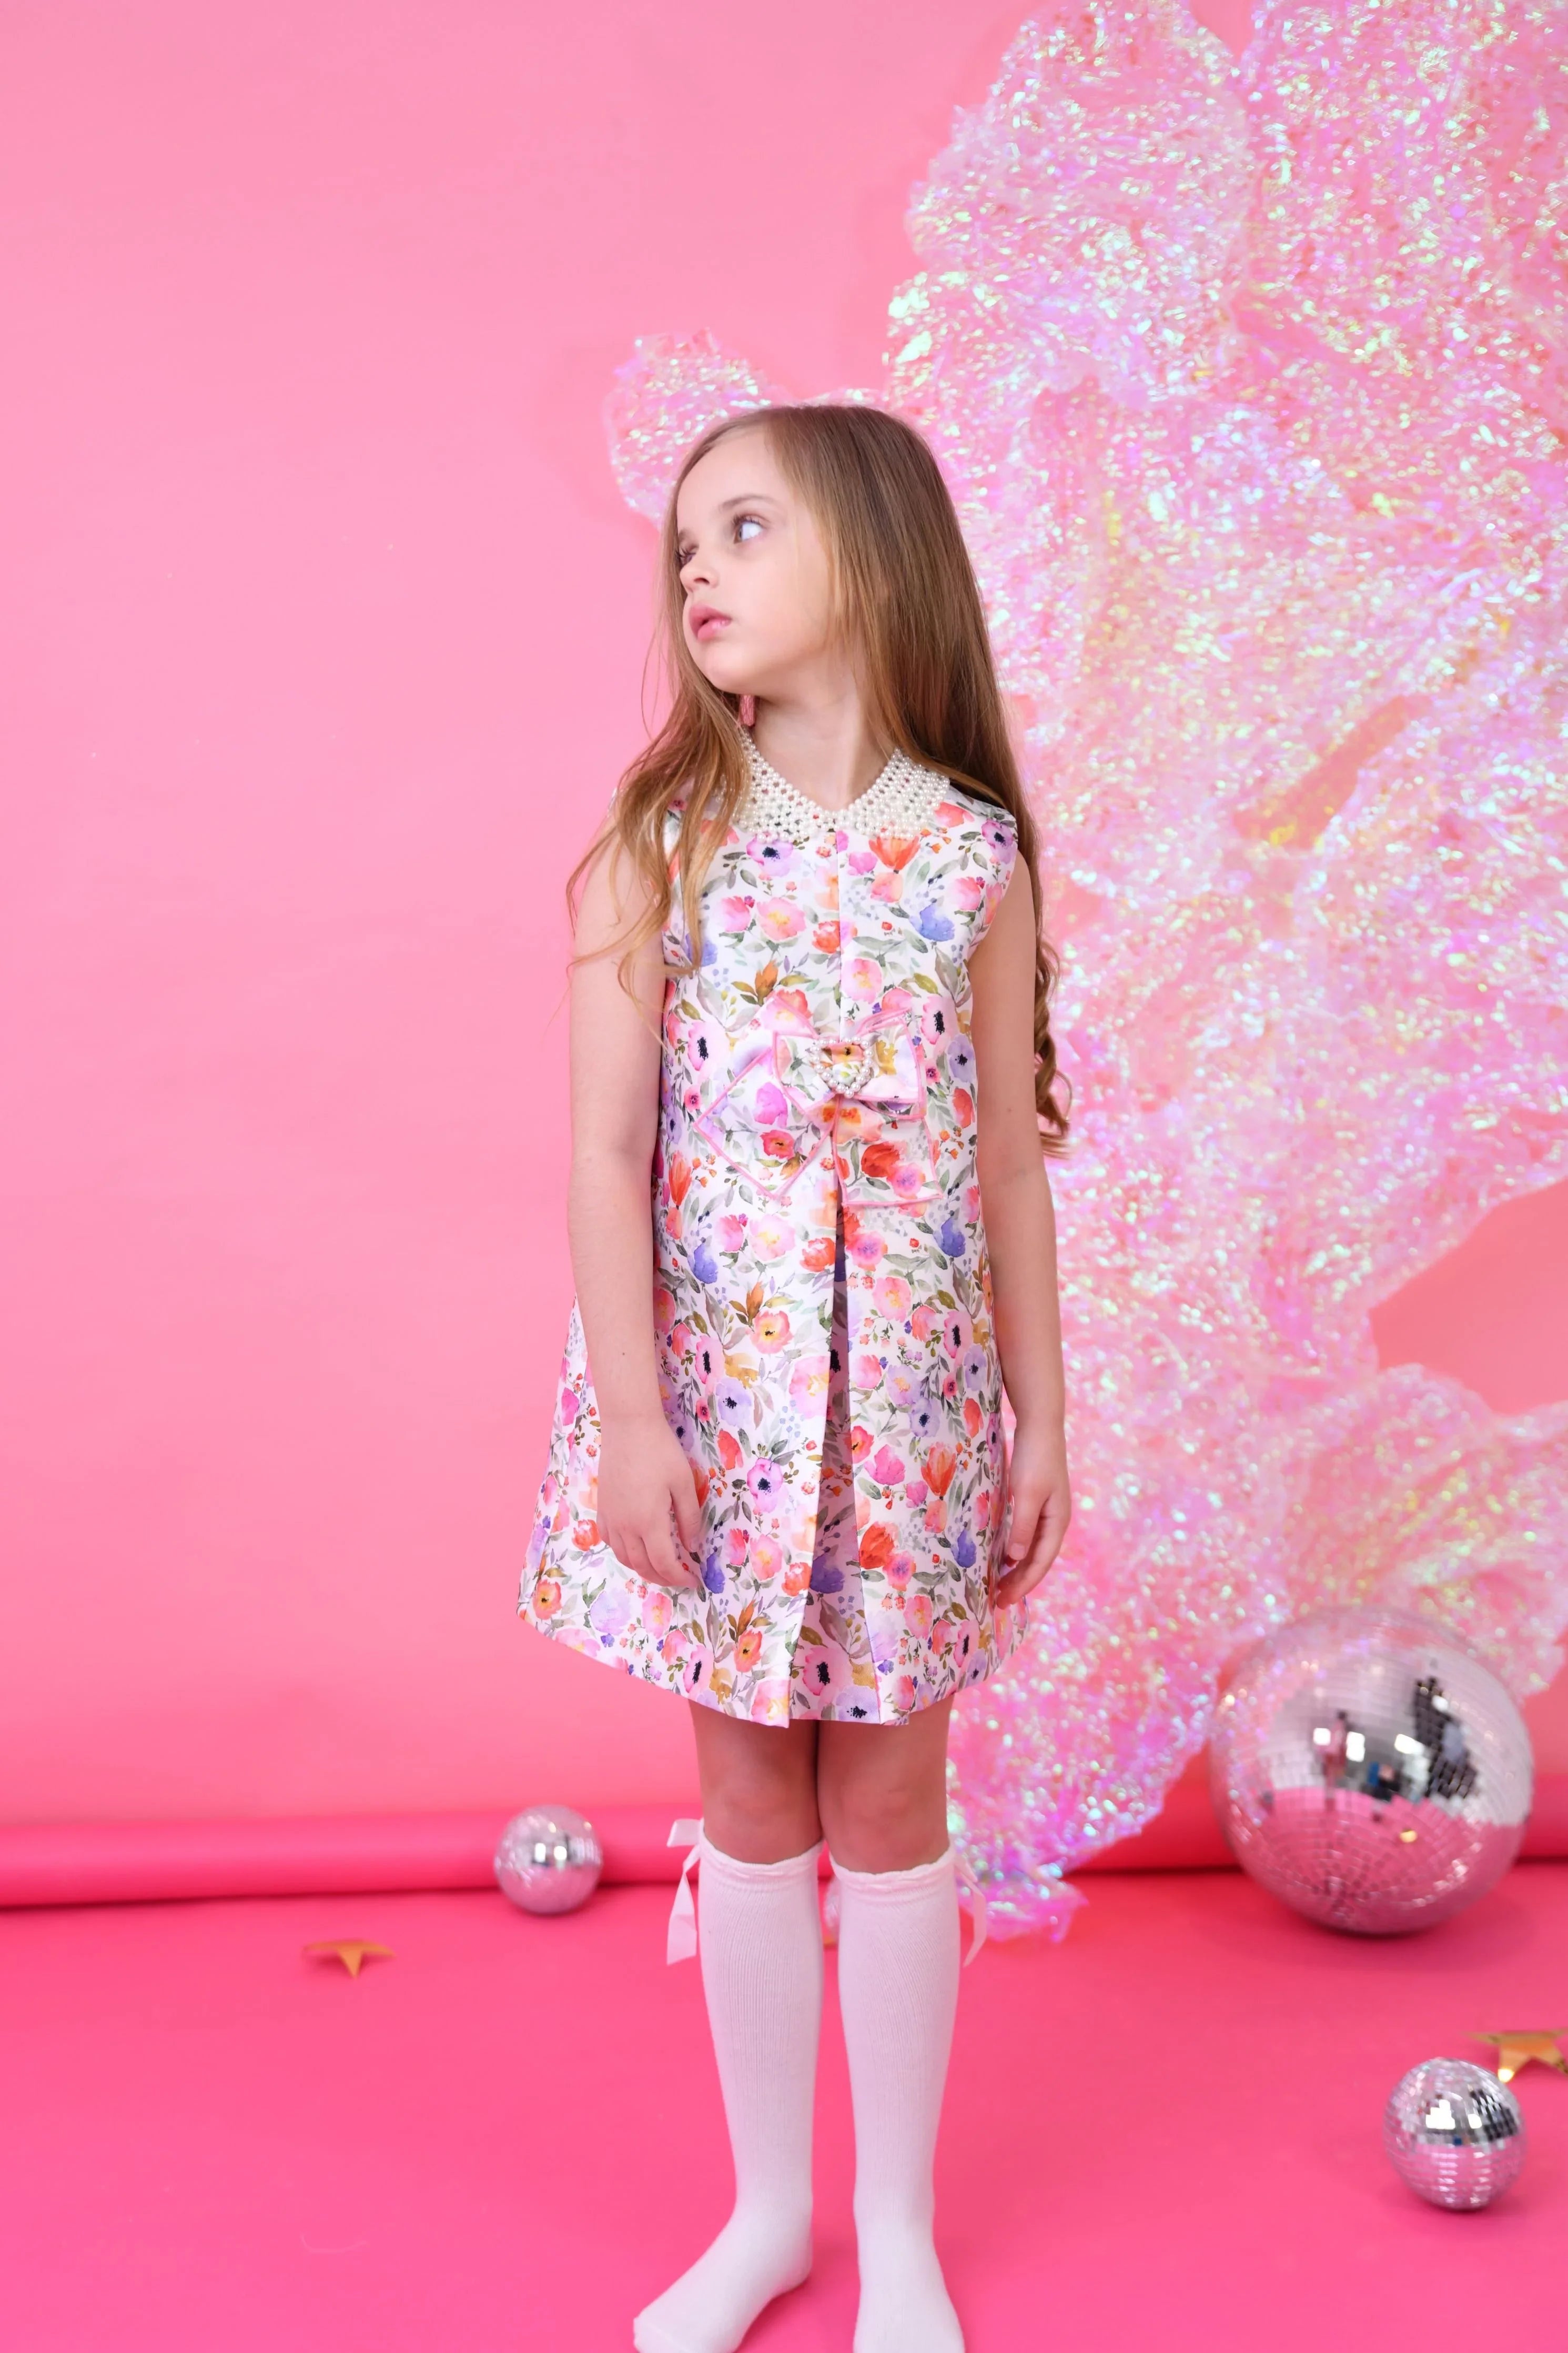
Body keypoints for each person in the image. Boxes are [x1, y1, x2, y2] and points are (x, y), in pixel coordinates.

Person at [520, 400, 1072, 2353]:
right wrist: (641, 1422)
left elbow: (1008, 1152)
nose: (698, 571)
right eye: (685, 544)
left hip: (911, 1426)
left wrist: (1041, 1421)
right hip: (725, 1419)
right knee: (751, 1790)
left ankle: (900, 2235)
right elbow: (603, 1155)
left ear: (876, 557)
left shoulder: (967, 858)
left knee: (895, 1796)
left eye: (743, 529)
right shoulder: (658, 844)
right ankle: (768, 2214)